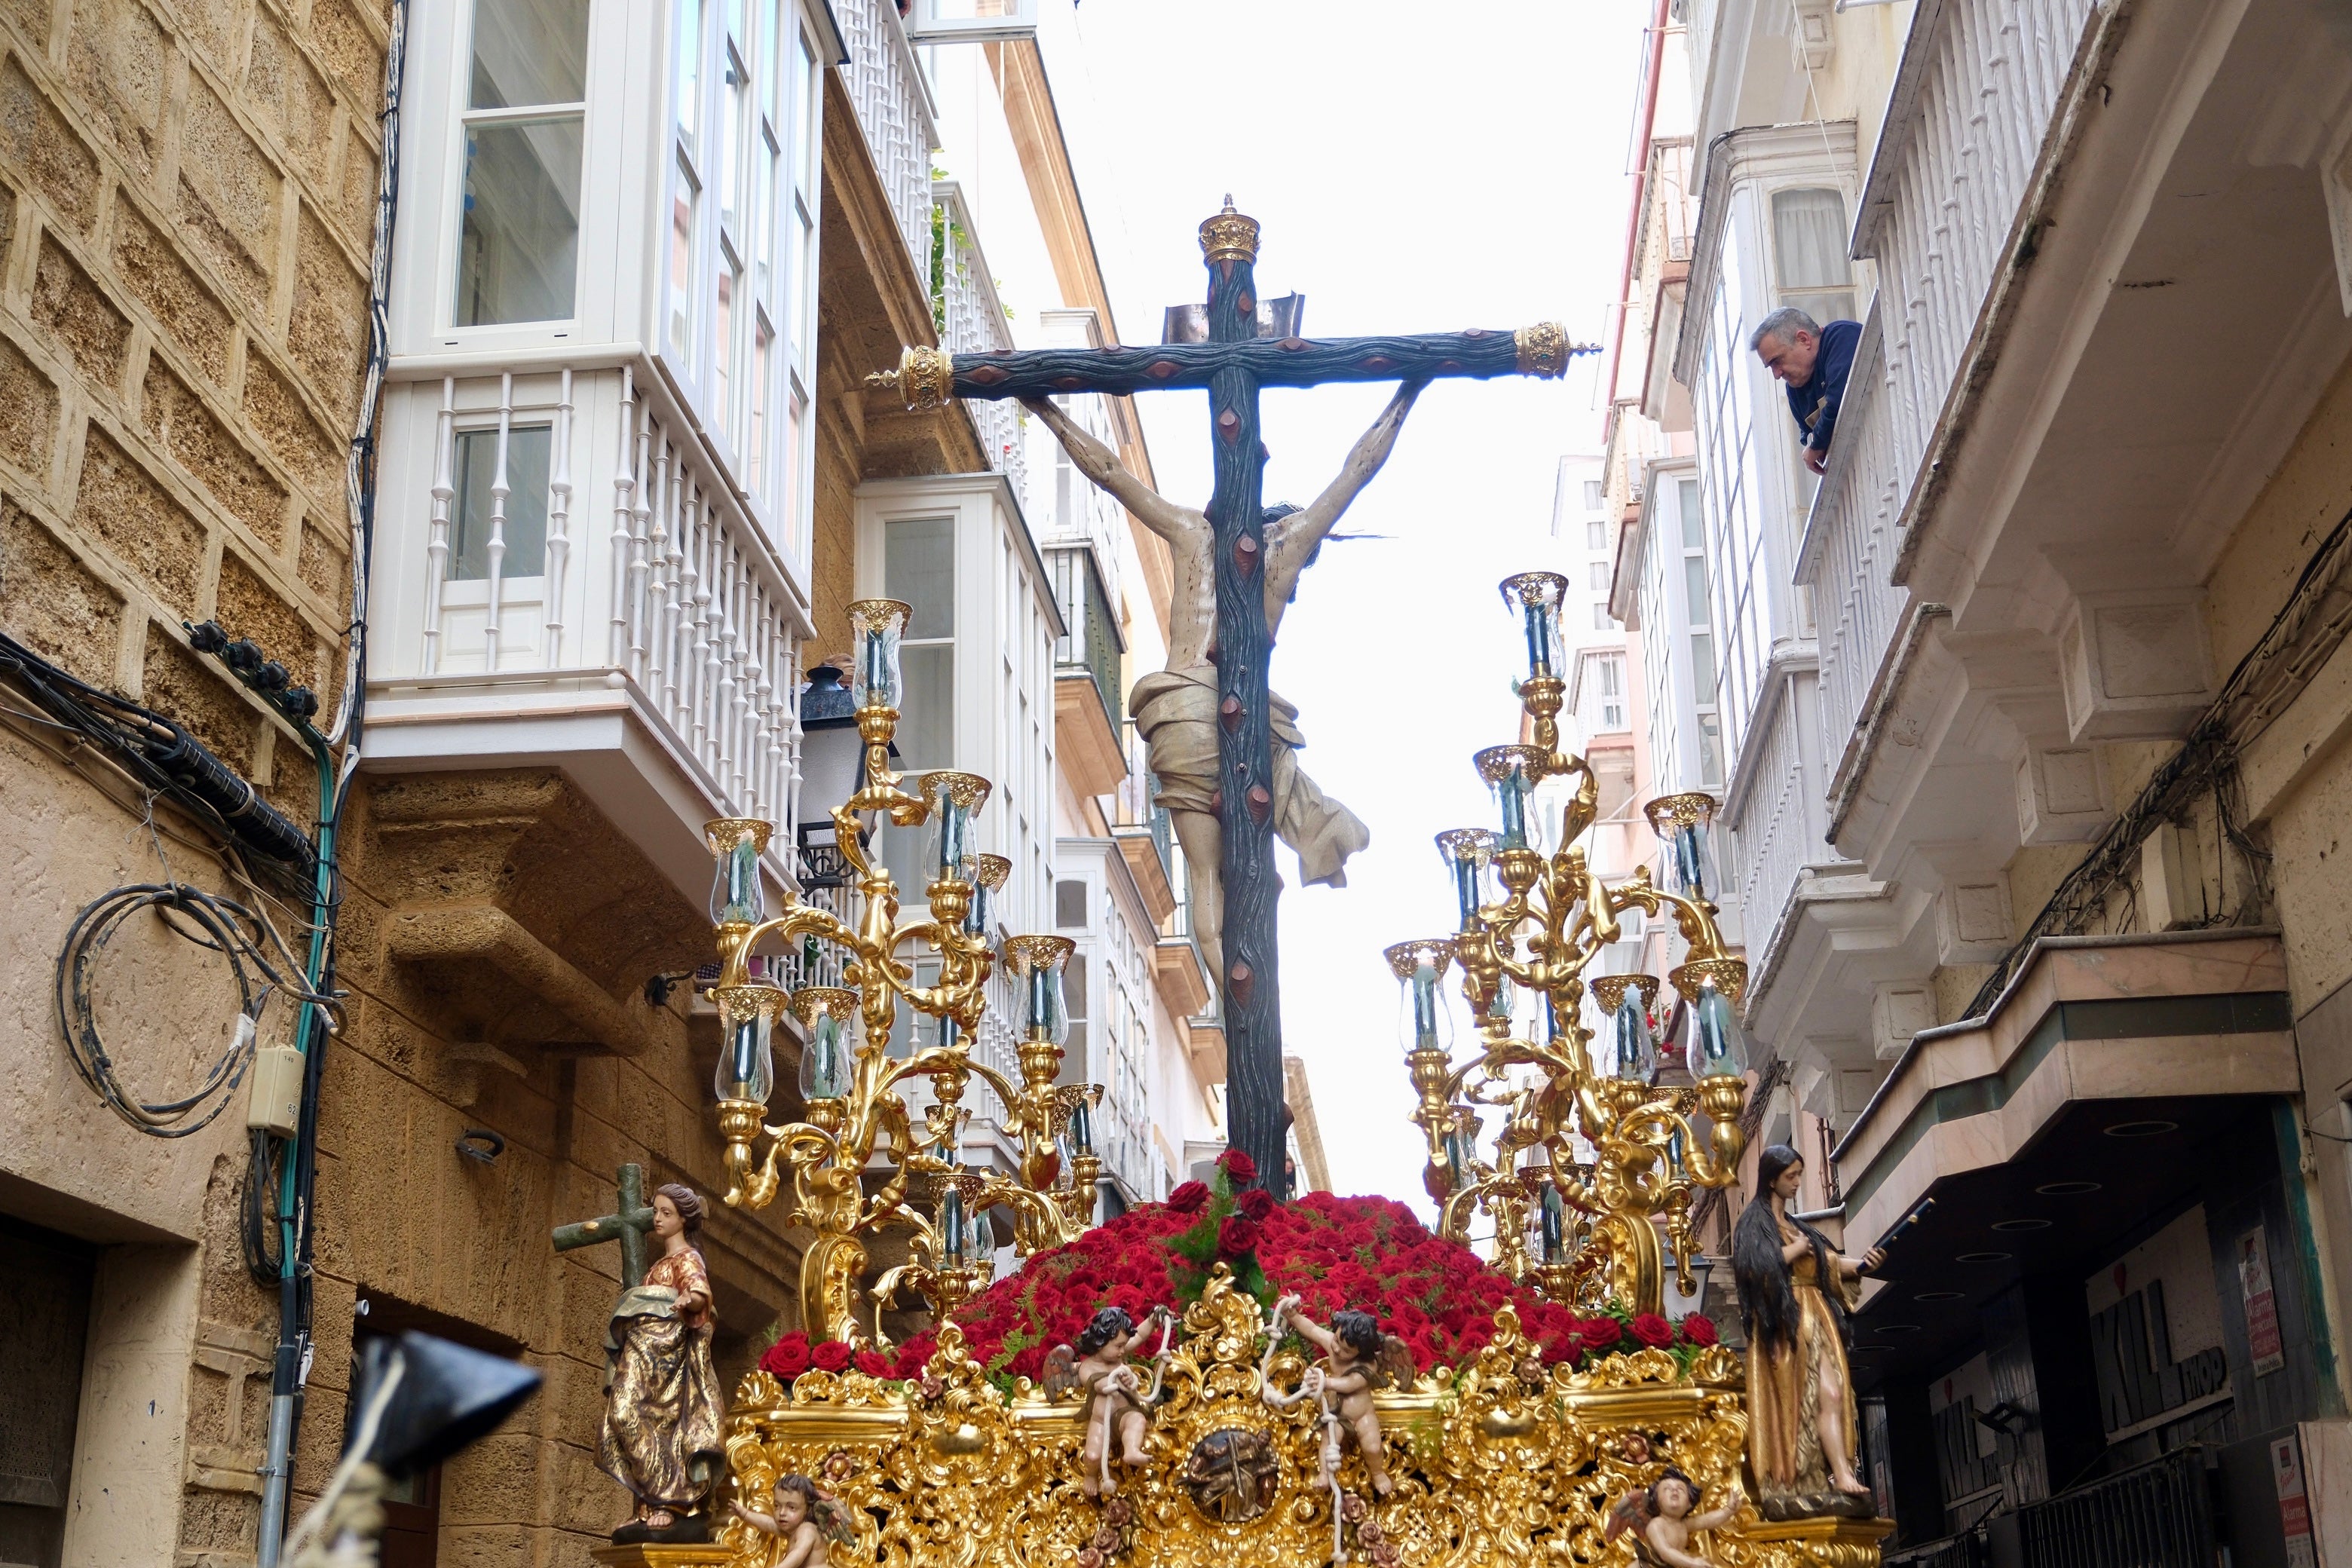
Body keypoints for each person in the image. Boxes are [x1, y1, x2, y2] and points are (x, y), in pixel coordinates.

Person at [1729, 1144, 1884, 1519]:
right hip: (1785, 1327)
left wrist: (1863, 1263)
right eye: (1791, 1176)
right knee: (1800, 1403)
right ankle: (1795, 1479)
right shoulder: (1755, 1223)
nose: (1798, 1182)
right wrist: (1793, 1250)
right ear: (1771, 1179)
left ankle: (1842, 1473)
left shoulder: (1797, 1227)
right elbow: (1753, 1267)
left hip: (1818, 1318)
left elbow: (1827, 1262)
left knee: (1832, 1392)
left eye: (1800, 1174)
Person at [600, 1184, 728, 1542]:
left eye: (666, 1213)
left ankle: (667, 1502)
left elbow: (699, 1290)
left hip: (665, 1362)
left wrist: (690, 1299)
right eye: (655, 1211)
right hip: (640, 1350)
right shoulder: (659, 1265)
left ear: (685, 1219)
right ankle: (647, 1500)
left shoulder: (687, 1258)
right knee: (623, 1413)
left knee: (659, 1424)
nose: (657, 1218)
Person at [1274, 1300, 1398, 1496]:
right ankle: (1324, 1474)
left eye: (1347, 1350)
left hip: (1362, 1414)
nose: (1338, 1350)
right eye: (1337, 1341)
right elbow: (1313, 1330)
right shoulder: (1334, 1345)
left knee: (1372, 1446)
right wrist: (1294, 1317)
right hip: (1337, 1412)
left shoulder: (1368, 1365)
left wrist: (1324, 1382)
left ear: (1361, 1352)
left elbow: (1350, 1384)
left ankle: (1378, 1472)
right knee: (1329, 1442)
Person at [1751, 308, 1861, 476]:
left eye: (1777, 361)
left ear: (1804, 340)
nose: (1777, 374)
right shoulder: (1795, 390)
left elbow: (1840, 400)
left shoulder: (1841, 336)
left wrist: (1816, 444)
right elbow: (1812, 442)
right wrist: (1816, 443)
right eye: (1771, 367)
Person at [731, 1474, 850, 1567]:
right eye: (777, 1506)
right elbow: (767, 1523)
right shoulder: (794, 1529)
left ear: (807, 1509)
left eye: (791, 1507)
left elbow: (799, 1553)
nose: (782, 1513)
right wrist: (745, 1514)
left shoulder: (807, 1529)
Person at [1637, 1468, 1744, 1568]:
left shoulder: (1684, 1524)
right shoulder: (1656, 1525)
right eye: (1667, 1489)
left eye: (1681, 1489)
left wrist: (1729, 1510)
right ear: (1656, 1501)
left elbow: (1708, 1521)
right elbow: (1665, 1552)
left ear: (1689, 1503)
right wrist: (1692, 1563)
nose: (1675, 1491)